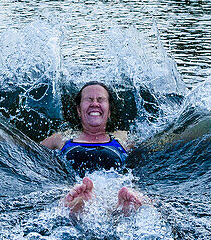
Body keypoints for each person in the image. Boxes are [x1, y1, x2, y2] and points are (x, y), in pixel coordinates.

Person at [42, 81, 147, 214]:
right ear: (79, 110)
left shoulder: (123, 139)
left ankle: (122, 205)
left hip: (112, 191)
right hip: (73, 188)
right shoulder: (60, 139)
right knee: (76, 196)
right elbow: (26, 151)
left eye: (100, 100)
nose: (95, 103)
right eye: (89, 99)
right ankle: (78, 202)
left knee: (133, 197)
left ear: (109, 111)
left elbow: (158, 146)